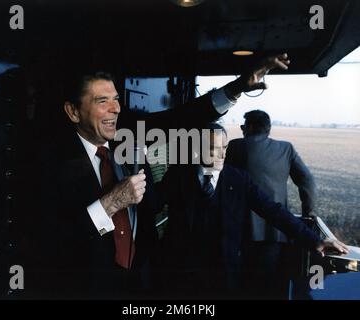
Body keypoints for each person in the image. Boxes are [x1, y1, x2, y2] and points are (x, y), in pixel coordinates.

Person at [18, 54, 293, 299]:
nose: (116, 109)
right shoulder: (48, 163)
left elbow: (181, 118)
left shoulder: (124, 137)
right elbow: (49, 242)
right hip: (88, 286)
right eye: (103, 101)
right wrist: (110, 203)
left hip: (141, 281)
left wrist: (238, 87)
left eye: (116, 99)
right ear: (73, 112)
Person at [157, 123, 347, 299]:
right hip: (181, 274)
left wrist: (314, 240)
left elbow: (273, 211)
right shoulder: (177, 176)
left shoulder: (238, 179)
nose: (223, 155)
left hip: (223, 276)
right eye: (215, 149)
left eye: (225, 148)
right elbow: (151, 205)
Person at [225, 110, 316, 299]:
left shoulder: (235, 147)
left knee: (240, 287)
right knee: (270, 287)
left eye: (243, 127)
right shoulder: (286, 149)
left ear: (249, 127)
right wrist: (308, 212)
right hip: (277, 231)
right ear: (268, 128)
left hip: (241, 231)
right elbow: (307, 181)